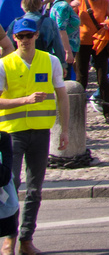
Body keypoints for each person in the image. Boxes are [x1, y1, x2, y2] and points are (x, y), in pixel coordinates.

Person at [0, 15, 64, 252]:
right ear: (14, 38)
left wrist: (64, 129)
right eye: (20, 36)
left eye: (29, 35)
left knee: (35, 189)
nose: (25, 40)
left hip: (40, 132)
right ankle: (9, 239)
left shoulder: (50, 61)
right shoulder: (4, 64)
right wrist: (24, 100)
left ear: (36, 35)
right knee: (11, 186)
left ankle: (27, 239)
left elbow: (62, 95)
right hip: (12, 134)